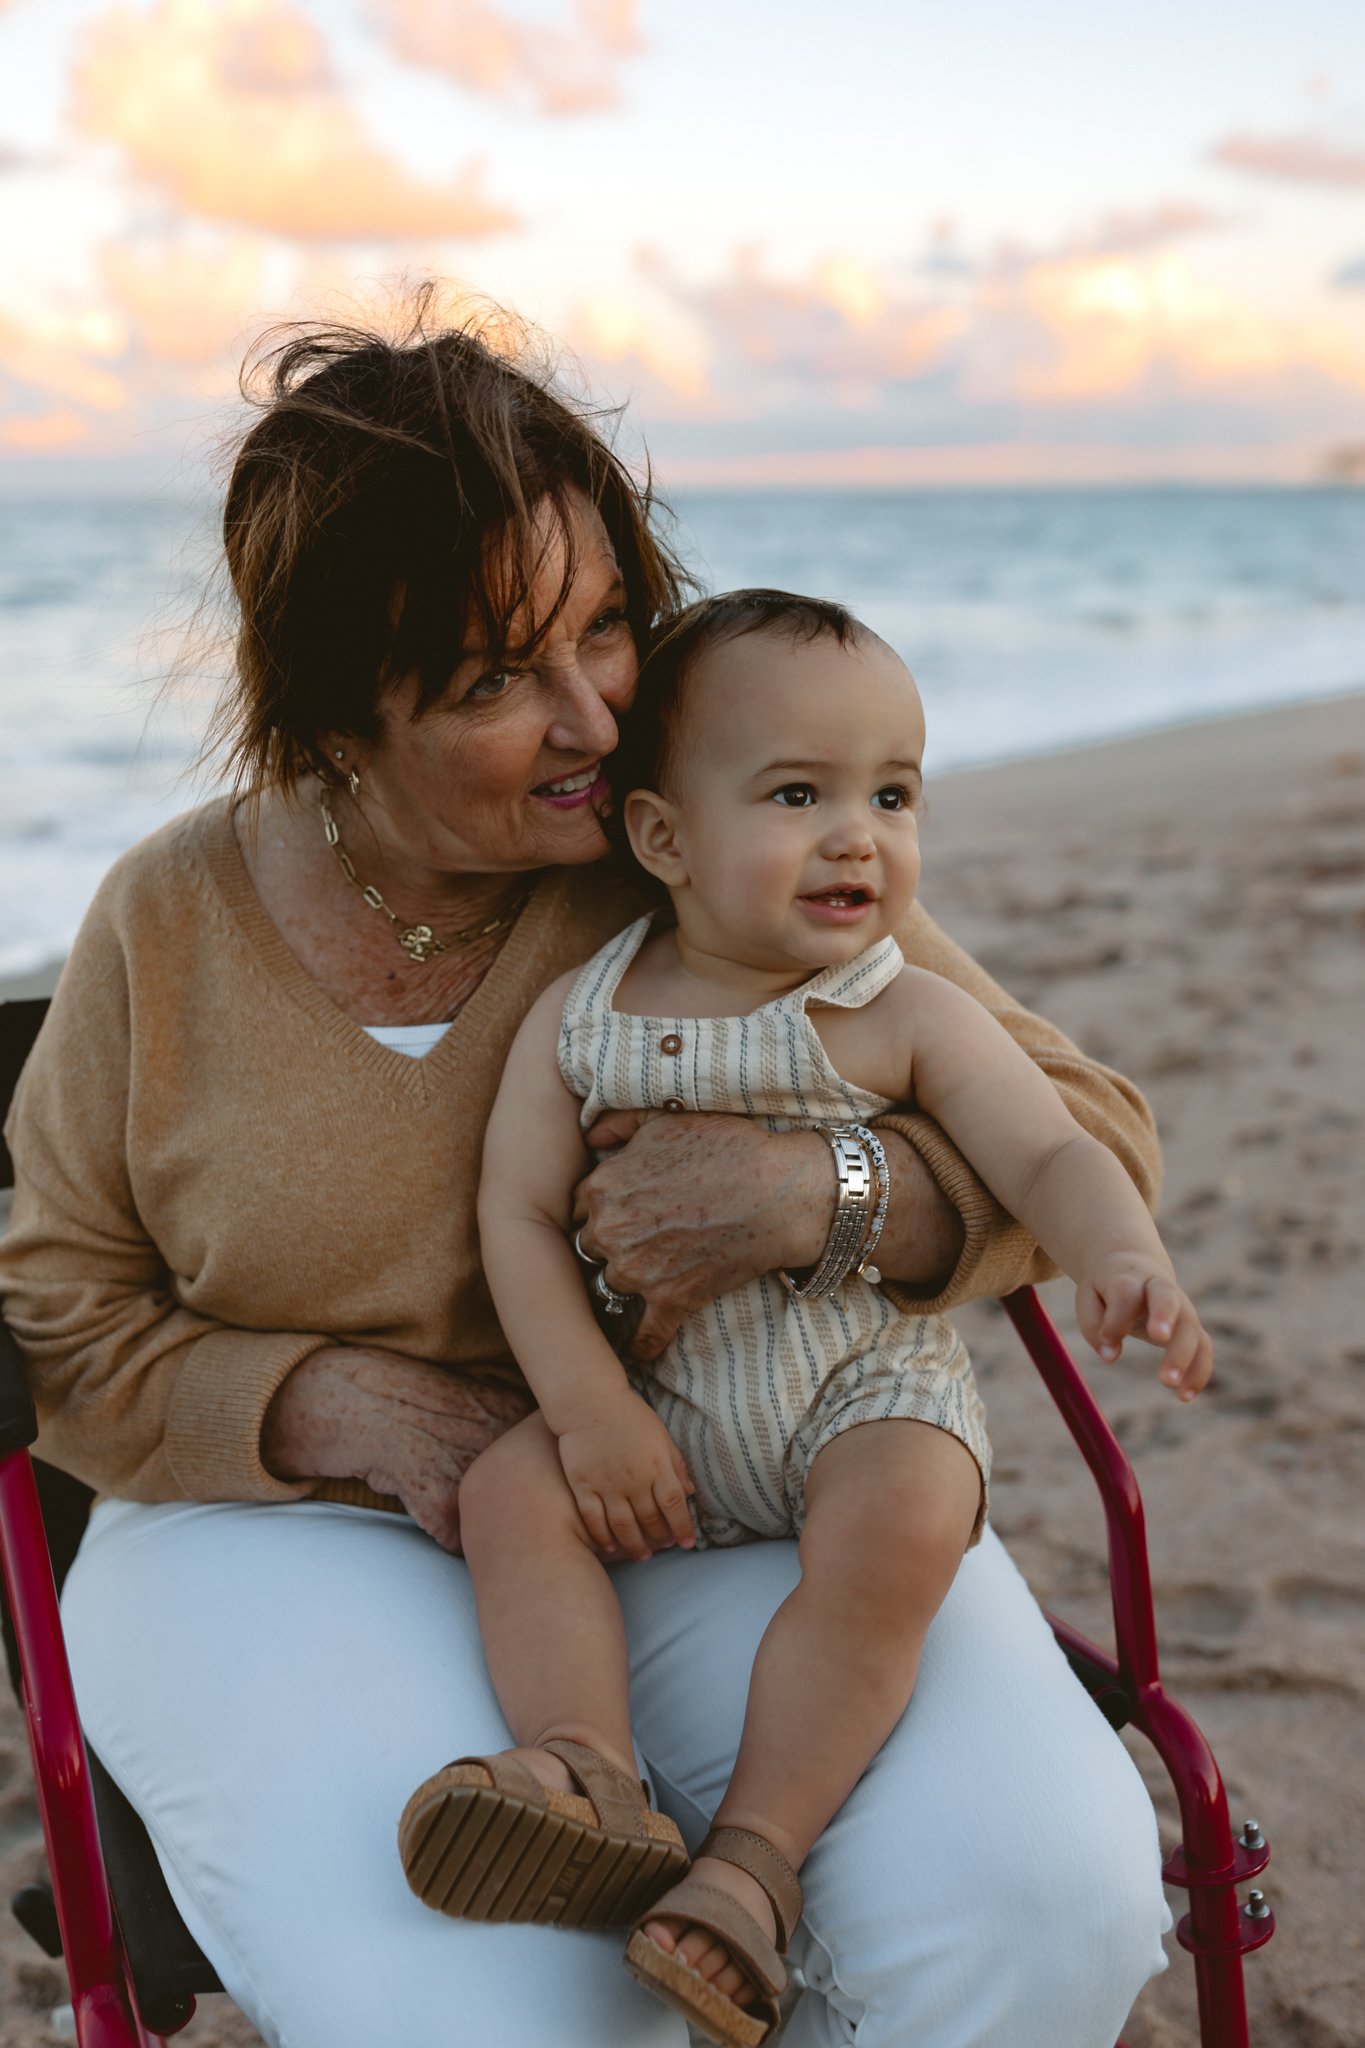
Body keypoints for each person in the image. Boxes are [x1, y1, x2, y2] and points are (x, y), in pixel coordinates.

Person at [0, 299, 1171, 2048]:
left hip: (706, 1476)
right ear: (335, 721)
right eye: (492, 680)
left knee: (1042, 1913)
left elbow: (1088, 1129)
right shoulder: (167, 925)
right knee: (492, 1997)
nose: (594, 715)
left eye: (609, 624)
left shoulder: (700, 844)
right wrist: (336, 1406)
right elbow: (61, 1310)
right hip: (277, 1536)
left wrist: (826, 1197)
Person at [402, 590, 1210, 2047]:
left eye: (891, 794)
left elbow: (1050, 1151)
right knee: (511, 1490)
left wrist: (1120, 1250)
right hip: (667, 1412)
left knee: (903, 1519)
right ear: (662, 839)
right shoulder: (579, 1020)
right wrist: (588, 1416)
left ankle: (755, 1862)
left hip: (858, 1397)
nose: (859, 836)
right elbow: (513, 1217)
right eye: (797, 795)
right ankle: (585, 1775)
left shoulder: (903, 1011)